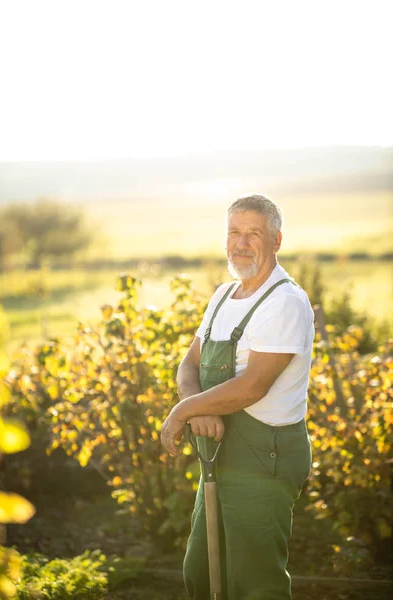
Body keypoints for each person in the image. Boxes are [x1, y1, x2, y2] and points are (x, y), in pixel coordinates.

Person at [161, 194, 315, 600]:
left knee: (253, 584)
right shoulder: (222, 296)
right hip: (220, 452)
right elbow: (188, 366)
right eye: (234, 232)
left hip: (265, 457)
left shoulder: (284, 303)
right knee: (203, 571)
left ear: (276, 240)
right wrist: (197, 410)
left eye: (253, 233)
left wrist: (185, 410)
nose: (241, 243)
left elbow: (252, 387)